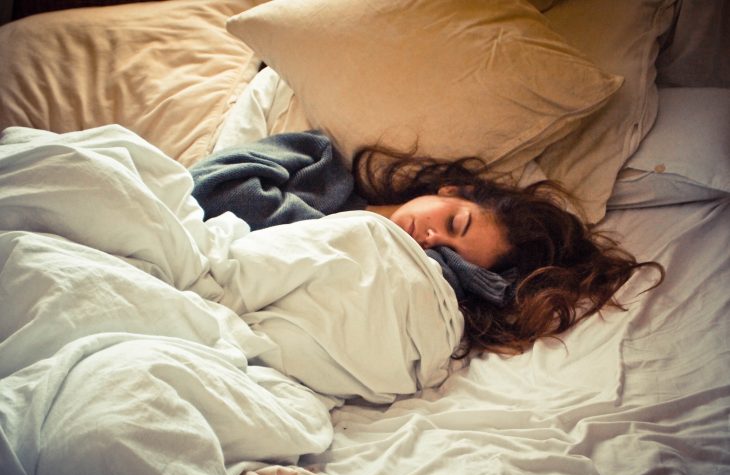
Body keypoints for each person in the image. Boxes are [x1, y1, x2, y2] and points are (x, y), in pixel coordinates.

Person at [190, 131, 664, 358]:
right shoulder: (318, 162)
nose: (432, 239)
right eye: (454, 222)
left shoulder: (415, 279)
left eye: (450, 253)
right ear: (452, 191)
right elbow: (206, 189)